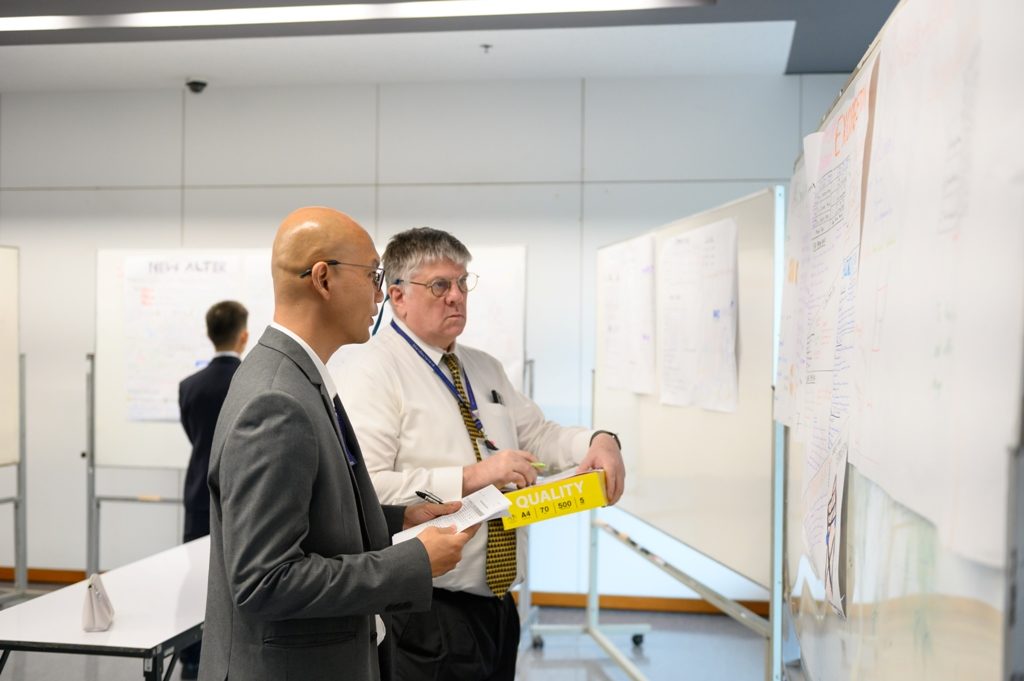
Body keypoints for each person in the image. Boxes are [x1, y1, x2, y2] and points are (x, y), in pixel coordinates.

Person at [199, 208, 477, 681]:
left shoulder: (297, 376)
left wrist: (398, 520)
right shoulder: (276, 400)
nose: (379, 294)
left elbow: (312, 515)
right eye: (373, 276)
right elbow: (265, 581)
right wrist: (414, 562)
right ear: (323, 280)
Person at [336, 226, 626, 681]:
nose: (456, 297)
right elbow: (367, 490)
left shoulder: (482, 366)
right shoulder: (371, 369)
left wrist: (599, 441)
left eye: (461, 282)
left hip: (497, 604)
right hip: (425, 610)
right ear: (398, 296)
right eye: (439, 285)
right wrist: (475, 475)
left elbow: (539, 434)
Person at [177, 299, 248, 679]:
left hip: (198, 496)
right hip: (238, 496)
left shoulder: (189, 386)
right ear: (244, 336)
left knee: (195, 582)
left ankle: (191, 661)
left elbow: (195, 437)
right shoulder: (250, 380)